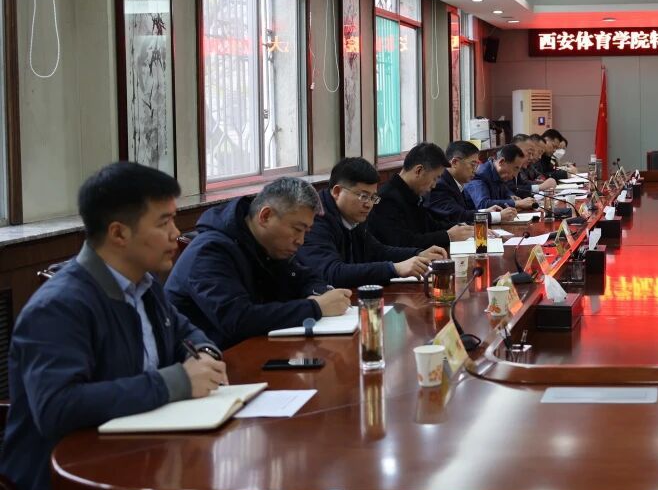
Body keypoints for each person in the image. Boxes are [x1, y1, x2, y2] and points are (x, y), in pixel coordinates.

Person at [0, 163, 226, 490]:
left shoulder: (144, 284)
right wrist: (176, 381)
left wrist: (205, 354)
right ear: (119, 233)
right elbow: (58, 407)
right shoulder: (60, 306)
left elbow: (186, 331)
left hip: (142, 471)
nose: (177, 234)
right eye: (164, 222)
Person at [166, 177, 352, 349]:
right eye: (297, 229)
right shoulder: (210, 251)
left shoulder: (267, 245)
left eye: (306, 232)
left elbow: (305, 277)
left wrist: (322, 293)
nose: (301, 241)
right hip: (209, 360)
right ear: (265, 216)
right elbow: (238, 320)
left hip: (254, 349)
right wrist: (316, 307)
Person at [297, 157, 447, 289]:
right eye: (363, 196)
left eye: (372, 197)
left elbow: (377, 251)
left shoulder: (353, 214)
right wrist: (394, 269)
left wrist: (418, 254)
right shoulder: (315, 220)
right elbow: (332, 273)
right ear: (337, 192)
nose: (368, 204)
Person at [368, 143, 473, 251]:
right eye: (434, 178)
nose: (434, 185)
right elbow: (402, 242)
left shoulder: (412, 194)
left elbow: (431, 226)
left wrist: (464, 228)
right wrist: (448, 236)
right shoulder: (386, 199)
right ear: (419, 171)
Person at [427, 141, 515, 226]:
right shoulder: (440, 185)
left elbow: (464, 213)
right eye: (473, 165)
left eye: (477, 165)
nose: (475, 171)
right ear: (455, 162)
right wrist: (496, 216)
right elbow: (459, 217)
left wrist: (485, 211)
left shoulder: (454, 182)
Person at [464, 144, 537, 211]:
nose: (515, 175)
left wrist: (511, 196)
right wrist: (516, 203)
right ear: (501, 162)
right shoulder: (479, 175)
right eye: (515, 168)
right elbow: (483, 204)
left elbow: (506, 192)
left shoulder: (500, 174)